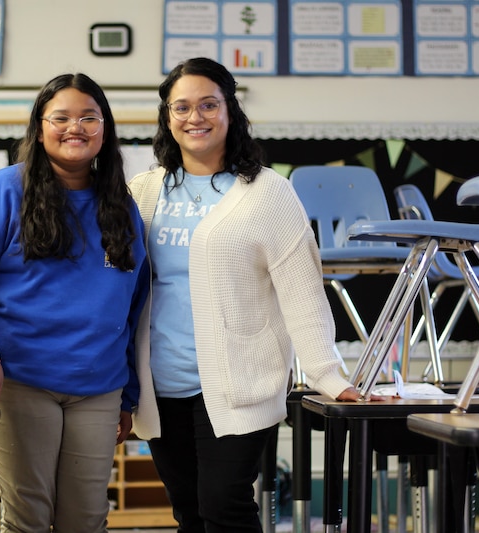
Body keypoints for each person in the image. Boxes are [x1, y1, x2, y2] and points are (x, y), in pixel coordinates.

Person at [128, 57, 366, 532]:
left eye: (208, 104)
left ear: (230, 112)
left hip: (240, 384)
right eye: (182, 107)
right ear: (167, 117)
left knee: (225, 506)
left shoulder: (267, 193)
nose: (195, 117)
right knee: (189, 512)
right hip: (160, 387)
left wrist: (329, 376)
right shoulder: (143, 191)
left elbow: (303, 293)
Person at [0, 73, 150, 533]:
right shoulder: (1, 192)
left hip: (98, 387)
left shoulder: (121, 204)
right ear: (40, 128)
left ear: (104, 130)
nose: (75, 127)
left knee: (86, 520)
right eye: (61, 118)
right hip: (19, 381)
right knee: (29, 519)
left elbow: (132, 308)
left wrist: (129, 393)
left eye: (89, 118)